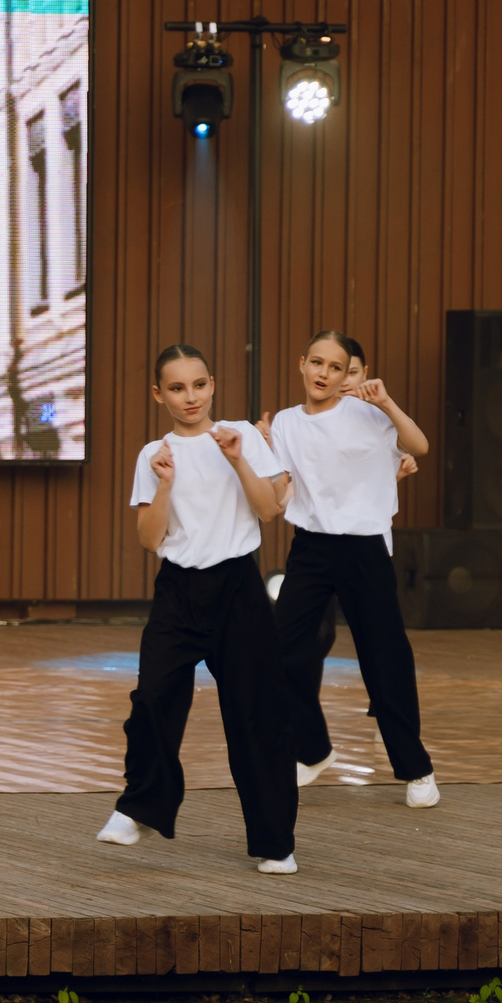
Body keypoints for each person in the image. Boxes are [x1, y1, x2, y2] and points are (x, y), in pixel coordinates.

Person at [98, 344, 302, 871]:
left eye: (199, 384)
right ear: (158, 394)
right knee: (152, 698)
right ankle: (141, 807)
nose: (190, 397)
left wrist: (236, 458)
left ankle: (275, 842)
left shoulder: (240, 435)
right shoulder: (154, 454)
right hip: (178, 591)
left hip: (238, 589)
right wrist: (165, 483)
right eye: (177, 388)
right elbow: (149, 538)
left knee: (257, 713)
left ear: (212, 385)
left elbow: (267, 510)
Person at [260, 329, 439, 806]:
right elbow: (282, 494)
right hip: (310, 549)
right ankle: (312, 749)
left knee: (384, 659)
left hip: (364, 549)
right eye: (317, 363)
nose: (324, 373)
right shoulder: (286, 423)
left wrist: (387, 404)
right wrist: (262, 450)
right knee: (280, 652)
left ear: (346, 374)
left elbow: (419, 446)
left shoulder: (366, 413)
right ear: (302, 364)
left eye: (335, 367)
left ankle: (417, 769)